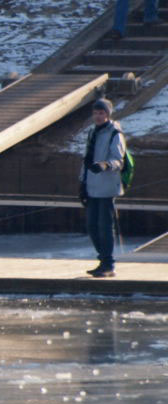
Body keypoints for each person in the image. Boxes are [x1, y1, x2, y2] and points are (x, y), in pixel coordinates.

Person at [79, 98, 126, 277]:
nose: (98, 116)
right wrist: (82, 183)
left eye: (101, 113)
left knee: (105, 226)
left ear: (107, 114)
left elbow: (118, 160)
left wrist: (105, 165)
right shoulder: (92, 133)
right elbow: (86, 159)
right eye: (96, 113)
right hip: (91, 186)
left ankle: (108, 264)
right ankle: (103, 260)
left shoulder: (115, 133)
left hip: (107, 187)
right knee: (92, 226)